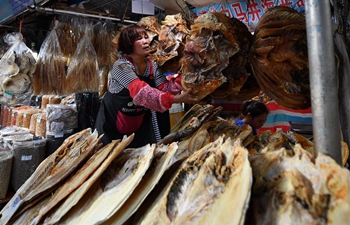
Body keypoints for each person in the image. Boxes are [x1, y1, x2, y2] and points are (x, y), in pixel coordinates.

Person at [94, 25, 198, 148]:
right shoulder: (121, 66)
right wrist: (175, 100)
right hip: (112, 124)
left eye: (146, 37)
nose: (146, 41)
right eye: (139, 39)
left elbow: (164, 88)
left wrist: (186, 76)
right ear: (128, 44)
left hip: (138, 124)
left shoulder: (152, 66)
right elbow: (141, 93)